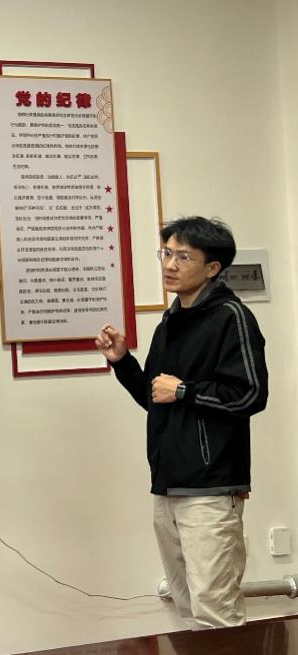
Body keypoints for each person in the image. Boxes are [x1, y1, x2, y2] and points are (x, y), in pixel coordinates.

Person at [96, 216, 267, 629]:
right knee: (187, 609)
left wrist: (185, 391)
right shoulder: (170, 321)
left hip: (211, 489)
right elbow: (156, 398)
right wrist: (123, 362)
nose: (170, 264)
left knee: (215, 613)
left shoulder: (232, 317)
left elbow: (250, 394)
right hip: (168, 485)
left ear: (213, 268)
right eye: (167, 253)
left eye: (184, 256)